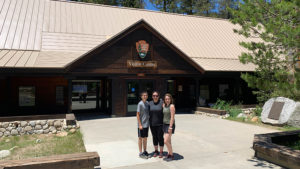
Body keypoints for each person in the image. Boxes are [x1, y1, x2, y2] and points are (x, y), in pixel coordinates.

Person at [149, 91, 164, 158]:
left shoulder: (162, 103)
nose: (155, 97)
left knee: (160, 137)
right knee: (154, 137)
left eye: (156, 95)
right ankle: (156, 151)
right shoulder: (150, 103)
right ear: (152, 96)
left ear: (159, 96)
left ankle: (161, 151)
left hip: (160, 124)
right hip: (152, 124)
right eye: (154, 95)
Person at [136, 91, 150, 159]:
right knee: (140, 138)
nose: (145, 96)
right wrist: (140, 124)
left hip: (146, 124)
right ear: (141, 96)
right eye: (143, 95)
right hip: (141, 125)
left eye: (146, 95)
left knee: (145, 138)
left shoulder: (147, 103)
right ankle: (140, 152)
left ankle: (145, 151)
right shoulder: (140, 104)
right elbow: (137, 115)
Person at [163, 93, 175, 161]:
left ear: (171, 99)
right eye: (166, 99)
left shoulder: (171, 106)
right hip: (164, 124)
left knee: (165, 141)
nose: (167, 100)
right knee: (169, 141)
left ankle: (171, 155)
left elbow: (172, 117)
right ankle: (169, 153)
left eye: (168, 99)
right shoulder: (164, 105)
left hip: (169, 125)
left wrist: (170, 127)